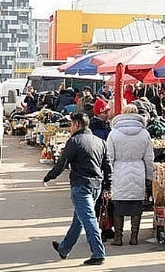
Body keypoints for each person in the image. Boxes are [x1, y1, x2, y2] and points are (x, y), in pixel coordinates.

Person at [44, 113, 111, 266]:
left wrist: (48, 177)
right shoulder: (100, 142)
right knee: (79, 219)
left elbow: (62, 163)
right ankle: (64, 248)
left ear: (77, 125)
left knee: (88, 220)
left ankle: (98, 254)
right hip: (96, 186)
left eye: (71, 124)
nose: (69, 127)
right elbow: (108, 167)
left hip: (81, 187)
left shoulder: (74, 141)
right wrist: (108, 186)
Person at [106, 105, 154, 246]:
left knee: (119, 206)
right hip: (138, 170)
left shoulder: (114, 133)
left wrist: (108, 176)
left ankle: (118, 237)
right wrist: (149, 177)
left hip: (119, 170)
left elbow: (109, 157)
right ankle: (134, 237)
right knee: (136, 206)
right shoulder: (144, 133)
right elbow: (149, 158)